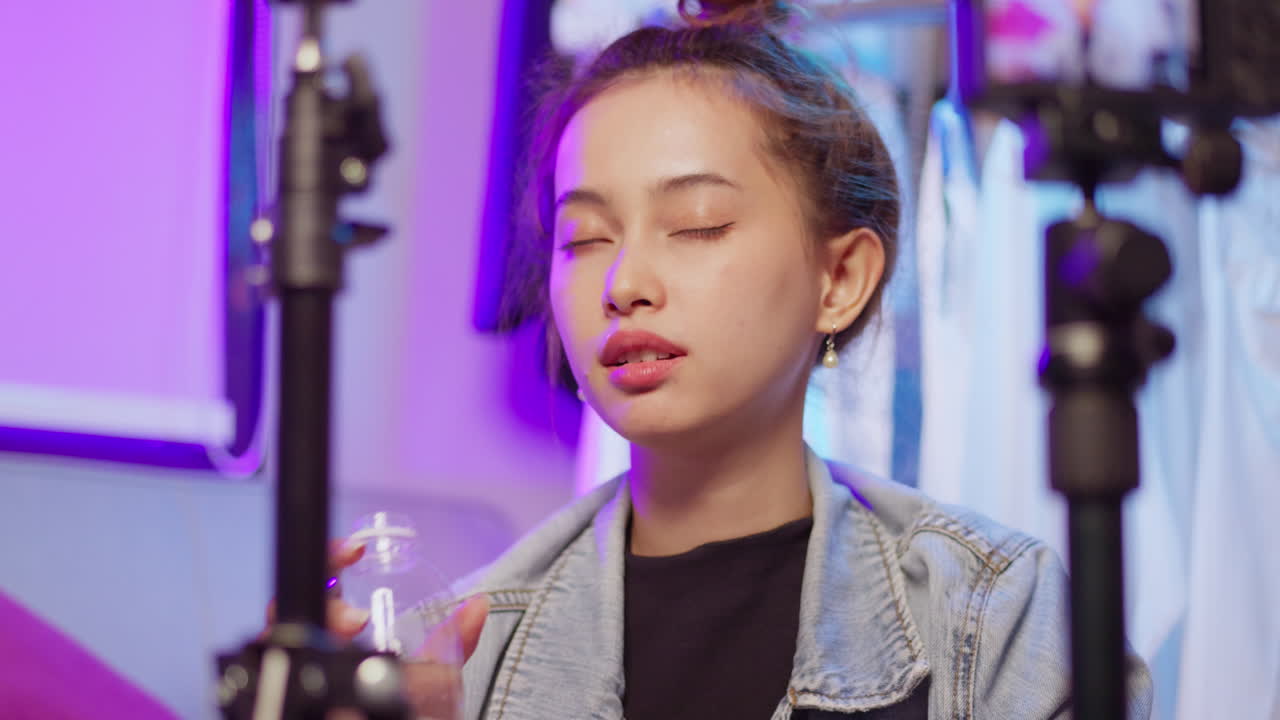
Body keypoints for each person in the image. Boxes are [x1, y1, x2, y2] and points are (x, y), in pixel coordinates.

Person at [282, 1, 1155, 717]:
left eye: (697, 224)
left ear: (840, 279)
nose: (625, 284)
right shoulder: (457, 657)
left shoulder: (998, 620)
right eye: (584, 239)